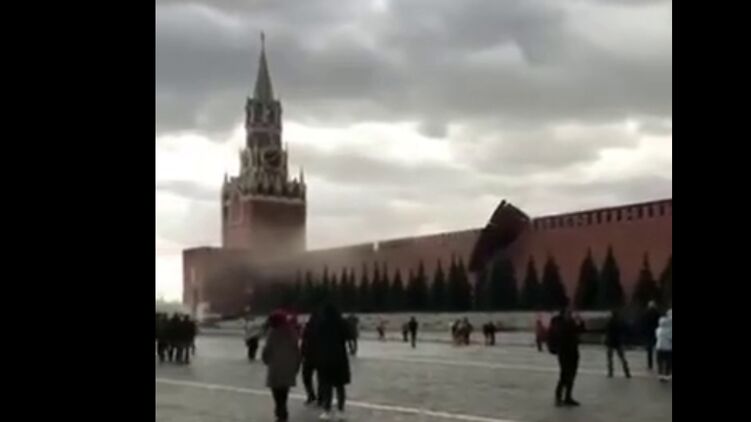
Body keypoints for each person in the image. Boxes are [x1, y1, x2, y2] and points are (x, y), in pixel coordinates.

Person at [262, 310, 301, 422]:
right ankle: (282, 410)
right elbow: (296, 350)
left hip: (275, 366)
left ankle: (280, 411)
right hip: (288, 366)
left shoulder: (272, 333)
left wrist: (266, 360)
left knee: (276, 391)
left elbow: (267, 350)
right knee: (284, 391)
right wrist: (296, 364)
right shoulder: (291, 332)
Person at [316, 304, 352, 420]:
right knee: (340, 386)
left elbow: (317, 339)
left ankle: (327, 410)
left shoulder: (322, 324)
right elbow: (349, 335)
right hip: (340, 358)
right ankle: (341, 409)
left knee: (327, 386)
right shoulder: (342, 323)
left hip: (326, 358)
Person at [548, 305, 584, 407]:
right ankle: (558, 397)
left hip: (573, 352)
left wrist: (581, 322)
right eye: (568, 313)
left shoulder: (571, 322)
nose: (570, 314)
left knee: (572, 375)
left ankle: (568, 396)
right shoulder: (559, 323)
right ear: (563, 313)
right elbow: (562, 335)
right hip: (564, 353)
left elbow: (580, 331)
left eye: (571, 313)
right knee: (564, 375)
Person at [300, 311, 321, 406]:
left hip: (309, 356)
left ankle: (311, 395)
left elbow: (304, 343)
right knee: (321, 379)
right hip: (320, 356)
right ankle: (321, 397)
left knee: (306, 377)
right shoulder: (322, 328)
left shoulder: (308, 328)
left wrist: (302, 355)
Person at [604, 309, 631, 378]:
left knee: (610, 358)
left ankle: (610, 372)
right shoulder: (620, 321)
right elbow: (624, 329)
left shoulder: (609, 322)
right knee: (622, 357)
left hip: (610, 341)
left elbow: (607, 331)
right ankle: (627, 372)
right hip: (618, 341)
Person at [641, 301, 661, 371]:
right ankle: (659, 363)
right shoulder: (657, 313)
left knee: (649, 350)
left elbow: (644, 323)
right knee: (658, 349)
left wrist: (644, 331)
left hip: (649, 333)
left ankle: (650, 365)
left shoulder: (646, 313)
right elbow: (659, 323)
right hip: (656, 332)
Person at [655, 309, 672, 382]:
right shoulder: (670, 330)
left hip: (659, 347)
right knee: (668, 362)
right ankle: (666, 375)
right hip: (668, 348)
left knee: (660, 362)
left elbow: (656, 336)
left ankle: (660, 375)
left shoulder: (659, 329)